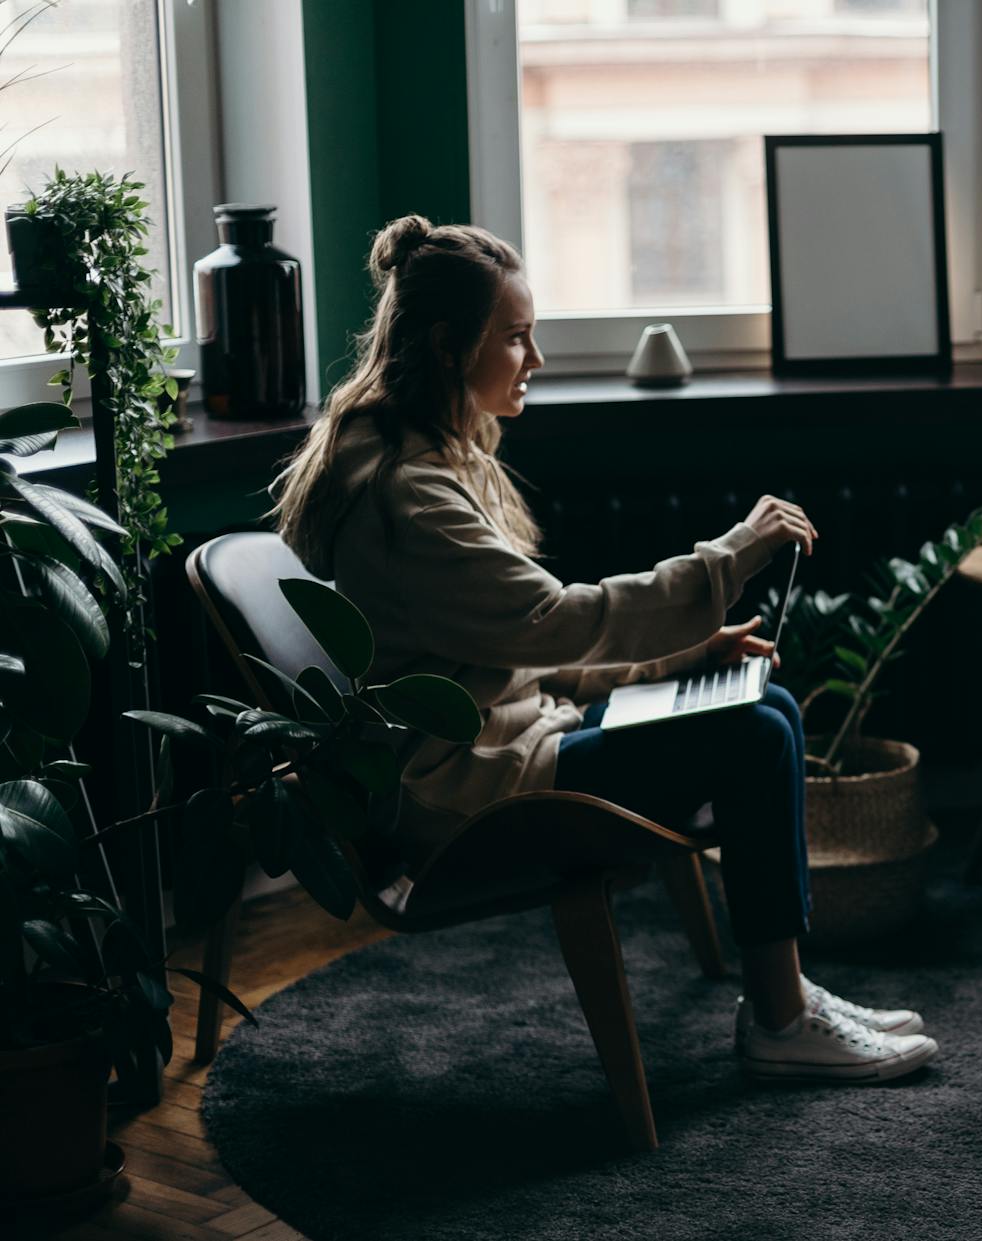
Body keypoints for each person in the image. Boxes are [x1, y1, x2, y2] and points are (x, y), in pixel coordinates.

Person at [270, 215, 938, 1083]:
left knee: (759, 700)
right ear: (447, 345)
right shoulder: (409, 494)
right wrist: (728, 556)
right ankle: (779, 1015)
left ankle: (786, 992)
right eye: (516, 337)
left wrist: (681, 655)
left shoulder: (432, 454)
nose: (535, 360)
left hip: (517, 746)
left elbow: (523, 647)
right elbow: (556, 622)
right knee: (757, 732)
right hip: (477, 792)